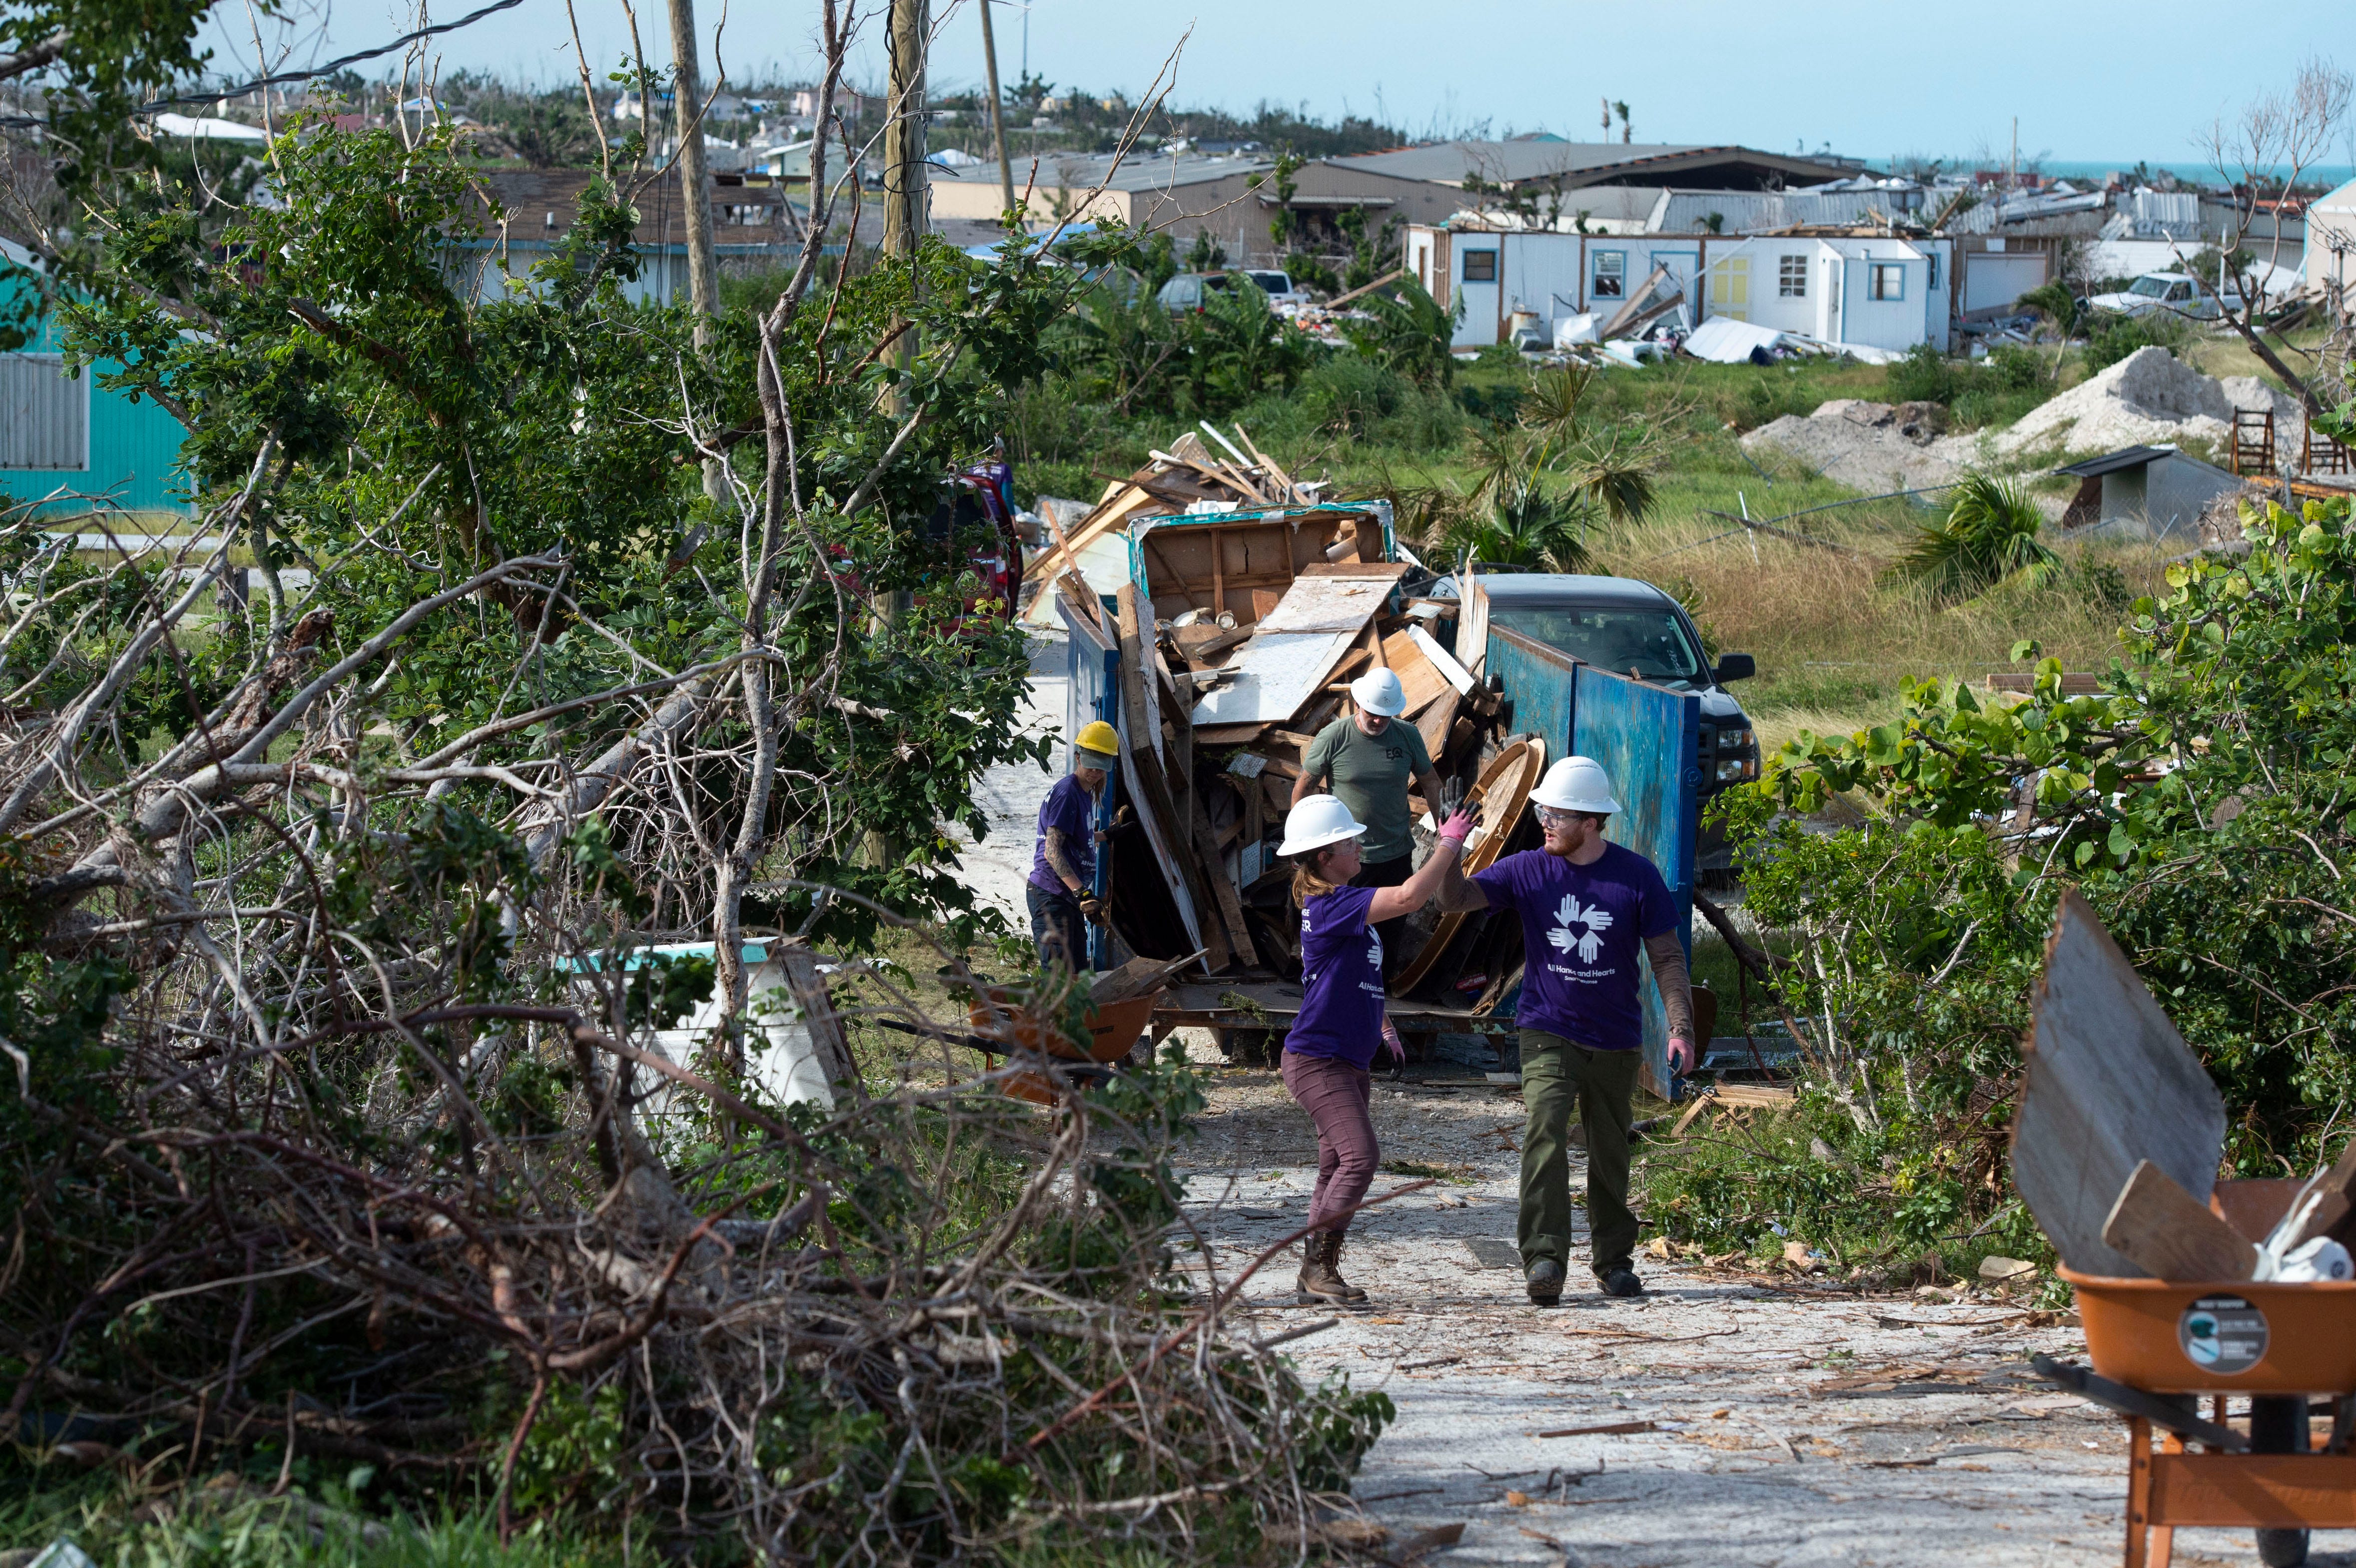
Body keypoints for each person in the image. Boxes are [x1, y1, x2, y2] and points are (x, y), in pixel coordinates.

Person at [1432, 756, 1695, 1303]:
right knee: (1545, 1132)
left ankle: (1613, 1261)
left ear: (1592, 821)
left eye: (1556, 814)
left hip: (1616, 1036)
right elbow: (1452, 899)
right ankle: (1545, 1259)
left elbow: (1667, 958)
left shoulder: (1636, 875)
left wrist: (1680, 1026)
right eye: (1542, 812)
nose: (1545, 822)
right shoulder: (1529, 868)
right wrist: (1449, 847)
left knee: (1610, 1149)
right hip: (1547, 1027)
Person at [1278, 791, 1478, 1305]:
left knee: (1334, 1164)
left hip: (1346, 1056)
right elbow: (1412, 896)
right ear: (1325, 856)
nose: (1359, 846)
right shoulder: (1331, 905)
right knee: (1360, 1157)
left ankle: (1311, 1273)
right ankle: (1321, 1267)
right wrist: (1448, 843)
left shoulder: (1339, 907)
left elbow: (1351, 978)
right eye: (1350, 841)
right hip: (1317, 1058)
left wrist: (1383, 1026)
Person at [1291, 667, 1450, 976]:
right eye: (1373, 713)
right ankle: (1335, 991)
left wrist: (1447, 827)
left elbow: (1430, 782)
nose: (1379, 721)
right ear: (1357, 704)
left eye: (1386, 716)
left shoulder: (1407, 735)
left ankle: (1384, 999)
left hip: (1395, 855)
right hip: (1345, 861)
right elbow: (1303, 787)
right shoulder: (1333, 737)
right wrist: (1302, 846)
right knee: (1348, 937)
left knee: (1389, 937)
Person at [1027, 720, 1118, 970]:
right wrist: (1083, 893)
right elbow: (1052, 850)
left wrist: (1107, 835)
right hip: (1052, 895)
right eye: (1091, 766)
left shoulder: (1083, 792)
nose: (1095, 773)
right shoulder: (1068, 792)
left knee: (1076, 975)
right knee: (1060, 977)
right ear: (1078, 757)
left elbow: (1078, 838)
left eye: (1101, 768)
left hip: (1067, 898)